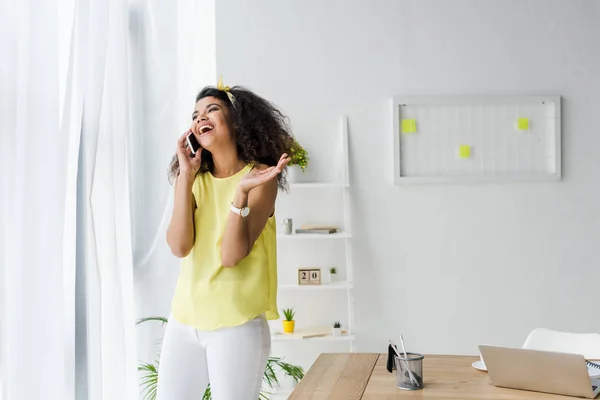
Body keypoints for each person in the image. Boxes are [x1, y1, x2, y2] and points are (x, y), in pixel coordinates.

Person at [156, 77, 293, 400]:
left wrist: (240, 194)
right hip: (184, 319)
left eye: (212, 109)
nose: (200, 118)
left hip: (236, 323)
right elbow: (179, 246)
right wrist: (185, 179)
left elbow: (232, 256)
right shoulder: (193, 180)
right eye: (195, 115)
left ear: (236, 121)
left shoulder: (260, 178)